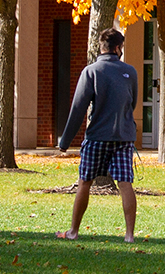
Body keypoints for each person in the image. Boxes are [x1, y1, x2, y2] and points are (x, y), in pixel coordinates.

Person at [54, 29, 141, 242]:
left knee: (85, 181)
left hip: (97, 138)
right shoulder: (130, 72)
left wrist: (64, 142)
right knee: (125, 183)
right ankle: (129, 235)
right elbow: (133, 103)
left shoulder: (91, 72)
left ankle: (73, 231)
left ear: (101, 46)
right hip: (123, 137)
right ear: (118, 48)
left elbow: (78, 108)